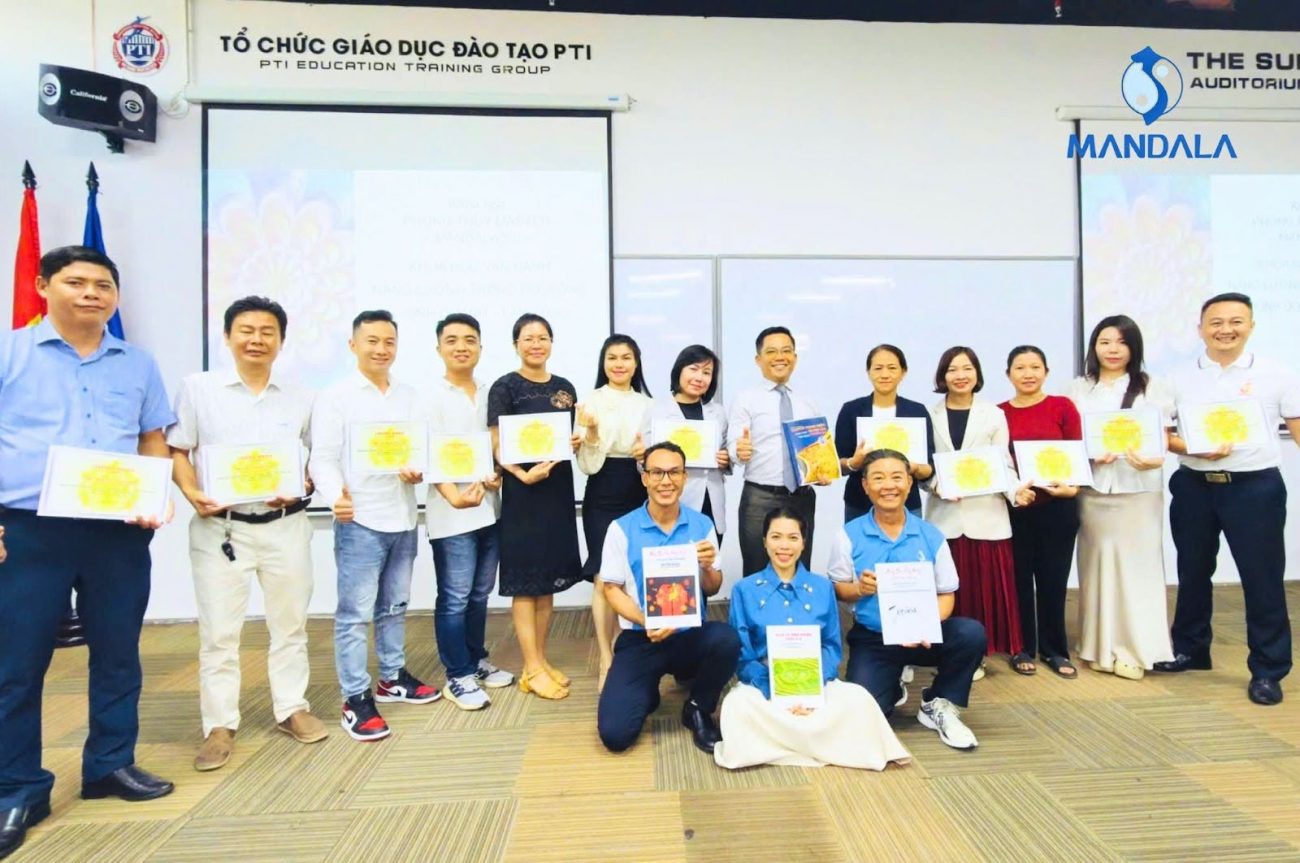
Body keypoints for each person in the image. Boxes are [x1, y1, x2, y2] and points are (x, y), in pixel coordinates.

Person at [0, 247, 176, 860]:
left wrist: (155, 493)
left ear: (115, 297)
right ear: (43, 286)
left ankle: (109, 763)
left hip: (116, 532)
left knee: (119, 653)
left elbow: (152, 436)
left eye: (103, 285)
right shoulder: (10, 353)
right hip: (30, 529)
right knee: (18, 663)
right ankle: (18, 788)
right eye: (75, 282)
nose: (91, 293)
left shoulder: (138, 363)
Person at [168, 296, 326, 771]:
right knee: (219, 632)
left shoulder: (302, 395)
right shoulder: (198, 389)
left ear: (281, 340)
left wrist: (305, 485)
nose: (257, 340)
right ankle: (219, 725)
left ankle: (292, 708)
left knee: (291, 625)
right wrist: (192, 493)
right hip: (222, 528)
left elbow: (318, 460)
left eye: (267, 332)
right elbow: (178, 450)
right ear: (227, 336)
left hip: (286, 526)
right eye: (246, 330)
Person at [1157, 293, 1300, 706]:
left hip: (1255, 487)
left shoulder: (1277, 373)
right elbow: (1162, 434)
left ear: (1251, 326)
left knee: (1262, 578)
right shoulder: (1176, 377)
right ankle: (1190, 649)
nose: (1226, 330)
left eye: (1236, 321)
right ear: (1201, 329)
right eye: (1216, 322)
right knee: (1192, 570)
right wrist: (1194, 449)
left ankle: (1268, 670)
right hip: (1194, 485)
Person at [310, 310, 439, 742]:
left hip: (402, 515)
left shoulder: (410, 396)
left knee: (395, 605)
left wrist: (418, 471)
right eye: (372, 341)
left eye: (389, 342)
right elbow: (322, 458)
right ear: (353, 345)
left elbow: (421, 451)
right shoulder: (335, 397)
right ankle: (355, 698)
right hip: (360, 519)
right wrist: (336, 496)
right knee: (354, 615)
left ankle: (392, 677)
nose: (381, 349)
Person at [713, 506, 910, 770]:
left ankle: (784, 742)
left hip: (815, 680)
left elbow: (831, 646)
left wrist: (809, 689)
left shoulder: (822, 587)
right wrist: (775, 689)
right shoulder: (743, 589)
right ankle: (816, 742)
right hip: (765, 683)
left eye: (793, 537)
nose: (784, 546)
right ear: (764, 541)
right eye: (776, 537)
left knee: (859, 699)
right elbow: (744, 655)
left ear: (804, 543)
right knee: (736, 705)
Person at [829, 449, 986, 750]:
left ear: (910, 483)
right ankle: (891, 682)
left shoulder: (931, 535)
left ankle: (938, 702)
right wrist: (859, 589)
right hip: (875, 638)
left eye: (897, 477)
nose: (889, 485)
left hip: (923, 636)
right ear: (865, 486)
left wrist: (924, 626)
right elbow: (838, 588)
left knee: (970, 633)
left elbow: (946, 594)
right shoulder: (848, 535)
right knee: (867, 715)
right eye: (878, 478)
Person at [596, 442, 739, 754]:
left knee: (727, 639)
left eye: (674, 472)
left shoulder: (702, 525)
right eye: (657, 472)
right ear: (644, 478)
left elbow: (713, 588)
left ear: (685, 477)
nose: (666, 481)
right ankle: (647, 691)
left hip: (688, 633)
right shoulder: (621, 529)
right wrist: (645, 620)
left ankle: (697, 707)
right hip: (641, 636)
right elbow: (611, 589)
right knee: (615, 735)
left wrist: (707, 567)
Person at [1069, 316, 1174, 681]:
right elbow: (1069, 440)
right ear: (1094, 347)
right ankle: (1098, 647)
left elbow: (1162, 438)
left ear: (1134, 347)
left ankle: (1136, 650)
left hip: (1139, 490)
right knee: (1096, 568)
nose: (1113, 350)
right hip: (1094, 491)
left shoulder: (1153, 387)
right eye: (1105, 342)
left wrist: (1156, 458)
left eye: (1121, 342)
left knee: (1139, 570)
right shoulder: (1078, 389)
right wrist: (1086, 456)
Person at [487, 313, 584, 701]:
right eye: (528, 338)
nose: (536, 344)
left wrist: (575, 442)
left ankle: (540, 662)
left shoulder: (565, 388)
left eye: (543, 337)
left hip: (557, 491)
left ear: (551, 343)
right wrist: (520, 475)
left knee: (548, 583)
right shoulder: (504, 387)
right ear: (516, 344)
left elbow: (564, 437)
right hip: (523, 493)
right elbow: (496, 443)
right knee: (526, 584)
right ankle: (530, 667)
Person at [425, 313, 513, 712]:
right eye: (452, 340)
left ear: (480, 347)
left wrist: (497, 474)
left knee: (479, 593)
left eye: (470, 340)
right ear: (439, 348)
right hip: (452, 514)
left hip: (489, 510)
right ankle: (457, 674)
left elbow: (497, 446)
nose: (461, 347)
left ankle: (475, 659)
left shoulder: (491, 391)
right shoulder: (430, 396)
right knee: (454, 597)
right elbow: (428, 454)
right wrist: (453, 497)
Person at [925, 347, 1029, 675]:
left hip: (987, 516)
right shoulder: (929, 415)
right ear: (942, 376)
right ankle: (951, 655)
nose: (960, 375)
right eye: (952, 369)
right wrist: (937, 486)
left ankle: (978, 654)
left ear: (977, 374)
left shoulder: (993, 415)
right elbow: (924, 467)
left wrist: (1016, 492)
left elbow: (1003, 464)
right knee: (951, 591)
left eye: (967, 368)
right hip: (945, 516)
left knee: (984, 592)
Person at [999, 346, 1083, 679]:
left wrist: (1072, 489)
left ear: (1046, 372)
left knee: (1053, 581)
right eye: (1020, 368)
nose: (1028, 374)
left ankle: (1054, 650)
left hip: (1058, 507)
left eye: (1035, 367)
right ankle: (1021, 647)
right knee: (1018, 580)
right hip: (1017, 509)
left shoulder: (1063, 406)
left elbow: (1076, 454)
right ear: (1008, 374)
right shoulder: (999, 413)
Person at [576, 334, 653, 692]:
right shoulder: (589, 401)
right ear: (603, 363)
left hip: (639, 488)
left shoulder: (649, 404)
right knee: (603, 575)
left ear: (636, 364)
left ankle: (631, 651)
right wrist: (592, 433)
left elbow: (656, 457)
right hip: (602, 489)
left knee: (637, 572)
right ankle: (605, 656)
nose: (619, 364)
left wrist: (643, 456)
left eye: (626, 357)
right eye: (612, 358)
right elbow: (587, 464)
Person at [728, 326, 823, 578]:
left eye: (786, 351)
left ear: (795, 358)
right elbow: (733, 444)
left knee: (800, 570)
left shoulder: (807, 401)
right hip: (760, 497)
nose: (780, 357)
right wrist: (739, 451)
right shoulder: (746, 398)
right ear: (758, 359)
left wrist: (821, 472)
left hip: (802, 497)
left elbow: (816, 450)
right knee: (757, 570)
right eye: (771, 351)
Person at [835, 344, 935, 522]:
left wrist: (914, 468)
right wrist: (853, 463)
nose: (885, 374)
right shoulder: (851, 410)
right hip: (860, 505)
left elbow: (929, 468)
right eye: (878, 368)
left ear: (903, 372)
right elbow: (837, 464)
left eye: (892, 368)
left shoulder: (916, 411)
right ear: (868, 372)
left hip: (907, 504)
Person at [643, 345, 730, 539]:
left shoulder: (718, 412)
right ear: (679, 370)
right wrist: (641, 457)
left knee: (709, 554)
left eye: (706, 372)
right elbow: (644, 465)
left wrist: (726, 459)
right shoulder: (657, 411)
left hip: (710, 501)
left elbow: (726, 451)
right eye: (693, 369)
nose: (699, 377)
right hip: (673, 498)